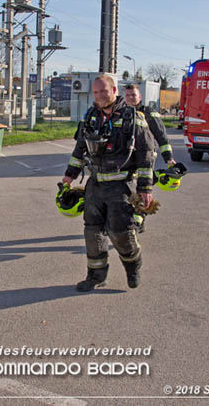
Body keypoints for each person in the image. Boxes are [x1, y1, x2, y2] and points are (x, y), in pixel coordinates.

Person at [62, 74, 155, 292]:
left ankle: (133, 268)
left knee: (121, 232)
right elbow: (79, 150)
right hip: (95, 185)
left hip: (121, 186)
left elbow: (147, 154)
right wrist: (69, 176)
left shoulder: (133, 117)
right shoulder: (91, 116)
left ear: (114, 90)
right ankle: (96, 275)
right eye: (96, 92)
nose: (100, 96)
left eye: (104, 91)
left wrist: (145, 188)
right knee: (92, 232)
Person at [124, 84, 176, 167]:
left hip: (145, 158)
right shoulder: (121, 114)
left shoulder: (149, 113)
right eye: (127, 95)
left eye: (133, 95)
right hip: (126, 159)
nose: (130, 97)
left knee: (145, 179)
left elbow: (161, 135)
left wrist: (168, 157)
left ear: (140, 96)